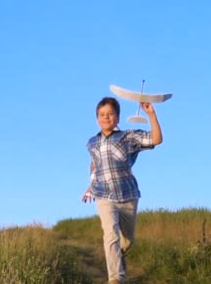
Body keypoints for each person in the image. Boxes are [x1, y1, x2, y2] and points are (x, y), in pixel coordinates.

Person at [82, 97, 162, 284]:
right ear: (97, 119)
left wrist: (151, 113)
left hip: (128, 196)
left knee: (128, 240)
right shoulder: (92, 143)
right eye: (102, 115)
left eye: (110, 114)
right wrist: (90, 186)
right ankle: (116, 278)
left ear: (117, 117)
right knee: (110, 234)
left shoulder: (129, 137)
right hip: (104, 195)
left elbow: (157, 139)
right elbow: (95, 165)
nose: (106, 117)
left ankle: (119, 256)